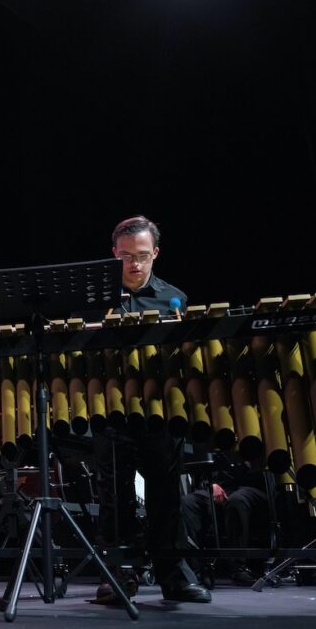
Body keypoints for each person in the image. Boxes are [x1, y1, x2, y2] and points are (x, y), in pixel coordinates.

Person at [93, 216, 211, 604]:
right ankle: (117, 574)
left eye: (143, 256)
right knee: (115, 497)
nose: (135, 265)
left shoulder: (173, 298)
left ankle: (172, 574)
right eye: (126, 257)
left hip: (159, 409)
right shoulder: (94, 299)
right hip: (111, 409)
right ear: (114, 254)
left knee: (166, 493)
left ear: (155, 253)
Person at [181, 450, 270, 585]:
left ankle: (239, 567)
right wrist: (211, 485)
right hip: (218, 487)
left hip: (249, 485)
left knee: (236, 501)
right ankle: (195, 568)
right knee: (188, 502)